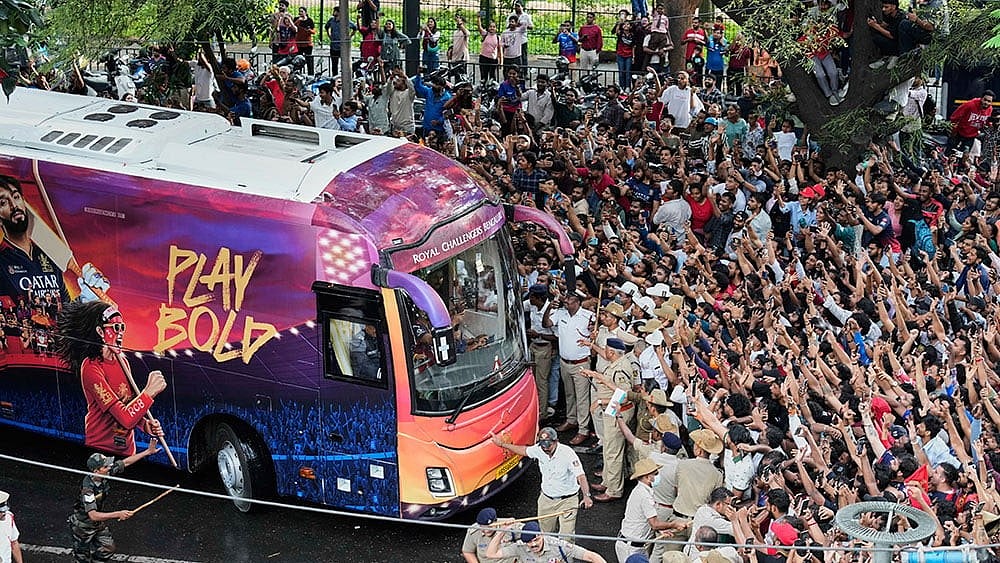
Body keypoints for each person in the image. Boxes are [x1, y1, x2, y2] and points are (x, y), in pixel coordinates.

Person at [55, 302, 167, 456]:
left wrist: (146, 426)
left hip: (127, 450)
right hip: (102, 450)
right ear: (100, 331)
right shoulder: (91, 368)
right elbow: (125, 418)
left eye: (122, 327)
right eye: (115, 328)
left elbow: (130, 405)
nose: (120, 332)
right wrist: (148, 393)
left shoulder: (122, 361)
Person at [491, 427, 594, 537]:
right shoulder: (539, 449)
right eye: (543, 445)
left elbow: (581, 476)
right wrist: (502, 445)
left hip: (567, 501)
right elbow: (524, 451)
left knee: (566, 536)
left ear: (556, 441)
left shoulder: (568, 454)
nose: (545, 449)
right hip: (546, 500)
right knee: (545, 534)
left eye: (548, 445)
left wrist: (586, 496)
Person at [68, 441, 160, 562]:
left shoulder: (105, 473)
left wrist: (147, 452)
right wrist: (118, 514)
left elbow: (125, 462)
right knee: (82, 557)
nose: (110, 467)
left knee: (107, 548)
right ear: (96, 471)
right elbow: (93, 515)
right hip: (83, 526)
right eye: (106, 466)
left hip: (96, 524)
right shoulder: (88, 490)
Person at [616, 457, 691, 563]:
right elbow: (654, 524)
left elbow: (646, 520)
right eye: (655, 474)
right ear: (647, 477)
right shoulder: (644, 496)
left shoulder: (641, 491)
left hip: (635, 544)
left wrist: (661, 530)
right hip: (632, 547)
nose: (658, 476)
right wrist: (673, 524)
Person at [543, 292, 594, 445]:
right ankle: (571, 420)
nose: (567, 303)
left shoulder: (588, 316)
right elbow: (546, 324)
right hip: (565, 362)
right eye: (566, 300)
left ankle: (583, 430)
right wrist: (548, 309)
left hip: (581, 363)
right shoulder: (560, 313)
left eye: (570, 300)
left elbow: (594, 335)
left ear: (578, 302)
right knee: (569, 395)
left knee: (582, 398)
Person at [486, 521, 607, 562]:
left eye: (536, 539)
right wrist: (502, 531)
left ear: (542, 535)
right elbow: (491, 554)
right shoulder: (520, 547)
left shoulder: (559, 546)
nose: (533, 544)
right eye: (529, 542)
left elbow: (591, 556)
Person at [325, 6, 357, 73]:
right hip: (333, 45)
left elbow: (354, 27)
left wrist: (350, 36)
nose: (333, 12)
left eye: (335, 11)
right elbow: (326, 27)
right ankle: (335, 78)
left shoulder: (346, 21)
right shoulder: (331, 20)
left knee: (344, 64)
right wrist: (329, 35)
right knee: (334, 64)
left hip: (343, 47)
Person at [477, 15, 504, 83]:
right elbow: (480, 28)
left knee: (492, 77)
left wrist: (501, 62)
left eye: (494, 27)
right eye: (490, 26)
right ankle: (483, 90)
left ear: (496, 28)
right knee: (484, 77)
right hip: (483, 58)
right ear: (488, 28)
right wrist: (478, 18)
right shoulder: (485, 34)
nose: (492, 28)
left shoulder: (498, 38)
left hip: (493, 59)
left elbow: (500, 51)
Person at [512, 1, 534, 73]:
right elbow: (507, 25)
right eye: (515, 6)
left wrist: (524, 26)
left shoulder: (526, 16)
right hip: (514, 40)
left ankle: (525, 72)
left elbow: (532, 26)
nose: (516, 8)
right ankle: (516, 71)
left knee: (523, 57)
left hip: (523, 39)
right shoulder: (512, 15)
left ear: (522, 7)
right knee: (515, 56)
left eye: (518, 6)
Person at [0, 492, 21, 563]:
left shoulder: (9, 517)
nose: (3, 513)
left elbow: (14, 542)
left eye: (4, 510)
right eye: (0, 511)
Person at [293, 7, 316, 75]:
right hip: (299, 43)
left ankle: (310, 74)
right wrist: (298, 20)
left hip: (307, 43)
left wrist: (310, 31)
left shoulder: (309, 20)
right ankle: (298, 74)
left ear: (305, 12)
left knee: (309, 59)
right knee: (298, 60)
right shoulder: (296, 19)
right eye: (299, 11)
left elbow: (314, 31)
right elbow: (293, 27)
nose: (300, 13)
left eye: (302, 11)